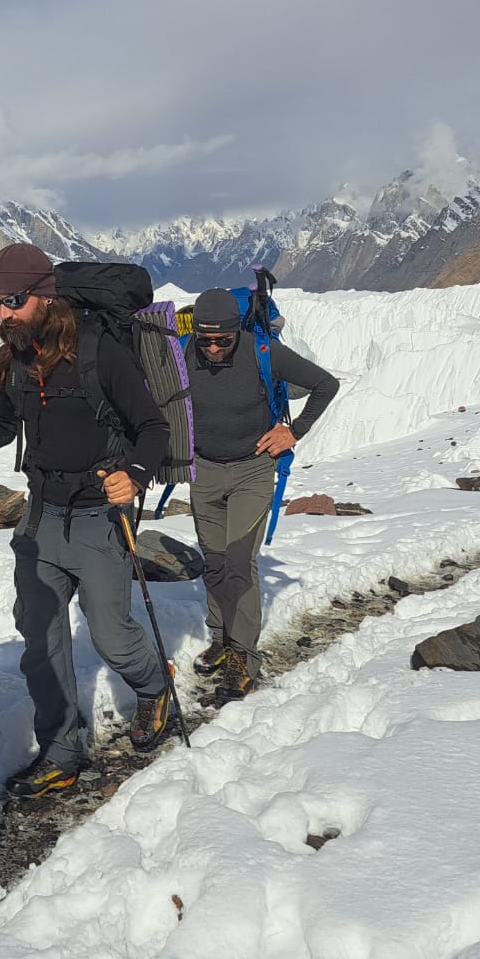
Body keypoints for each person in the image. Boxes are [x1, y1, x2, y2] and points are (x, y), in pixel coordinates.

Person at [0, 243, 175, 798]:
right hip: (39, 517)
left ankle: (154, 686)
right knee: (40, 641)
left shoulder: (100, 351)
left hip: (100, 514)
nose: (3, 312)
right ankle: (60, 752)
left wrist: (135, 473)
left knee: (112, 636)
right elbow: (1, 429)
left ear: (45, 296)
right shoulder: (8, 360)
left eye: (12, 300)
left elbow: (153, 426)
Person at [184, 287, 339, 701]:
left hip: (253, 471)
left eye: (222, 339)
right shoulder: (184, 353)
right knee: (214, 561)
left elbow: (326, 384)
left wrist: (293, 431)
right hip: (205, 471)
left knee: (239, 562)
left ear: (237, 331)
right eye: (206, 339)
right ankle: (221, 638)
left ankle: (244, 657)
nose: (214, 347)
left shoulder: (262, 351)